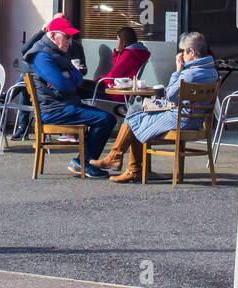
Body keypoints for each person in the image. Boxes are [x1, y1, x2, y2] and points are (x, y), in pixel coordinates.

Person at [91, 31, 217, 183]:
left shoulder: (189, 74)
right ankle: (124, 163)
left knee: (134, 116)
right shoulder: (211, 72)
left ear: (191, 52)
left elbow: (169, 95)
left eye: (183, 51)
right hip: (194, 120)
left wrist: (177, 70)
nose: (181, 55)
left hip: (180, 119)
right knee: (137, 112)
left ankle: (125, 163)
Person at [23, 16, 117, 177]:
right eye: (67, 37)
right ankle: (84, 163)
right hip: (54, 109)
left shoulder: (57, 52)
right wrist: (67, 76)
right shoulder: (41, 56)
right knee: (105, 119)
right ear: (53, 36)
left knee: (105, 118)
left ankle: (84, 162)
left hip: (64, 104)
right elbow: (64, 85)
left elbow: (78, 77)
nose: (70, 41)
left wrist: (69, 75)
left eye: (71, 37)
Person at [97, 26, 152, 103]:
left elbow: (114, 75)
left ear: (122, 40)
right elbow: (117, 66)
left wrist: (99, 79)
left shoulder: (128, 54)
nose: (117, 43)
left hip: (117, 92)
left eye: (118, 40)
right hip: (126, 89)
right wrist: (117, 53)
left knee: (81, 87)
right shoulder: (138, 52)